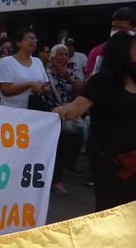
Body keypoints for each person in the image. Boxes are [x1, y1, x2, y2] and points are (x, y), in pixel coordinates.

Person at [53, 31, 136, 211]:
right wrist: (63, 111)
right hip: (111, 162)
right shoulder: (102, 81)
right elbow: (78, 107)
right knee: (111, 210)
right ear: (122, 54)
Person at [45, 44, 84, 195]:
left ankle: (58, 179)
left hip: (67, 116)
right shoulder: (46, 73)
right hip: (50, 115)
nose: (63, 58)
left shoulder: (71, 73)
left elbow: (80, 89)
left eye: (66, 55)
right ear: (53, 57)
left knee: (64, 149)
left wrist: (69, 77)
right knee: (50, 150)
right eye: (60, 55)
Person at [85, 7, 136, 77]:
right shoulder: (97, 52)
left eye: (122, 28)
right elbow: (88, 82)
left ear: (135, 30)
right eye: (114, 27)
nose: (116, 31)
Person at [0, 28, 50, 109]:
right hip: (11, 110)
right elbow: (5, 90)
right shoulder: (6, 62)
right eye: (28, 38)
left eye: (34, 39)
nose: (32, 41)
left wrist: (43, 89)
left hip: (34, 110)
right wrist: (29, 85)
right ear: (18, 43)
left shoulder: (38, 62)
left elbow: (46, 84)